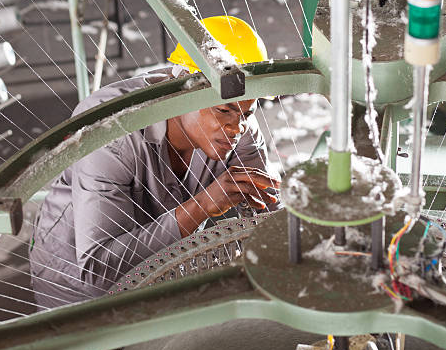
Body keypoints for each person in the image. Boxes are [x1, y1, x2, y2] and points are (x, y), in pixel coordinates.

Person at [29, 16, 281, 308]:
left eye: (247, 114)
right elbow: (98, 271)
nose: (237, 128)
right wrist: (201, 207)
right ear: (183, 87)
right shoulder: (112, 132)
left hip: (164, 270)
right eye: (224, 110)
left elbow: (270, 213)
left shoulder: (238, 125)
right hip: (77, 287)